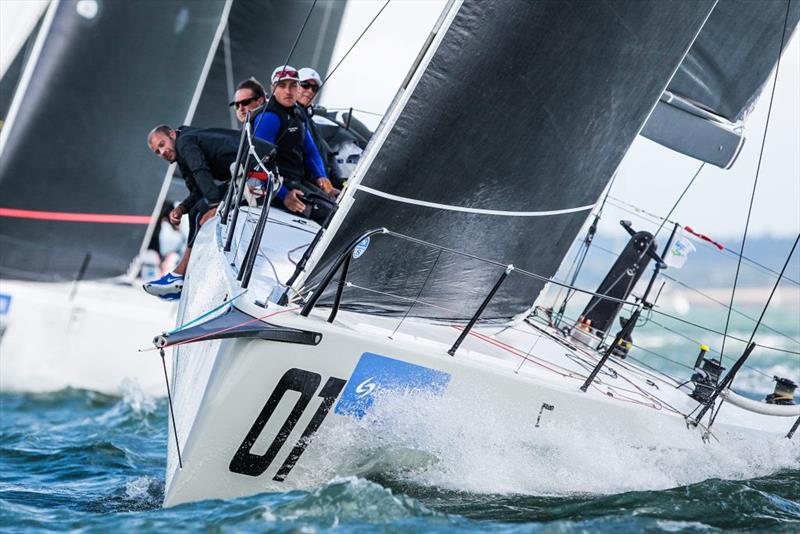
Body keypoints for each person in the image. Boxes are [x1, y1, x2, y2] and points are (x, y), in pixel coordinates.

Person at [142, 125, 277, 299]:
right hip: (246, 171)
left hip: (259, 169)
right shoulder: (182, 151)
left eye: (162, 144)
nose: (162, 152)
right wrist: (182, 207)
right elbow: (197, 190)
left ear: (172, 134)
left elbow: (201, 171)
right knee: (196, 209)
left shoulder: (184, 142)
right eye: (157, 152)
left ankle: (181, 275)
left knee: (201, 210)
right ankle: (183, 276)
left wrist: (214, 206)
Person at [252, 65, 338, 215]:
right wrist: (283, 195)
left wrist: (322, 177)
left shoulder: (298, 114)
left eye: (293, 85)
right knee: (330, 215)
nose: (288, 91)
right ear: (272, 88)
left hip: (295, 181)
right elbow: (258, 165)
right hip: (276, 186)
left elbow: (310, 151)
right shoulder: (268, 117)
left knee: (337, 207)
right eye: (282, 85)